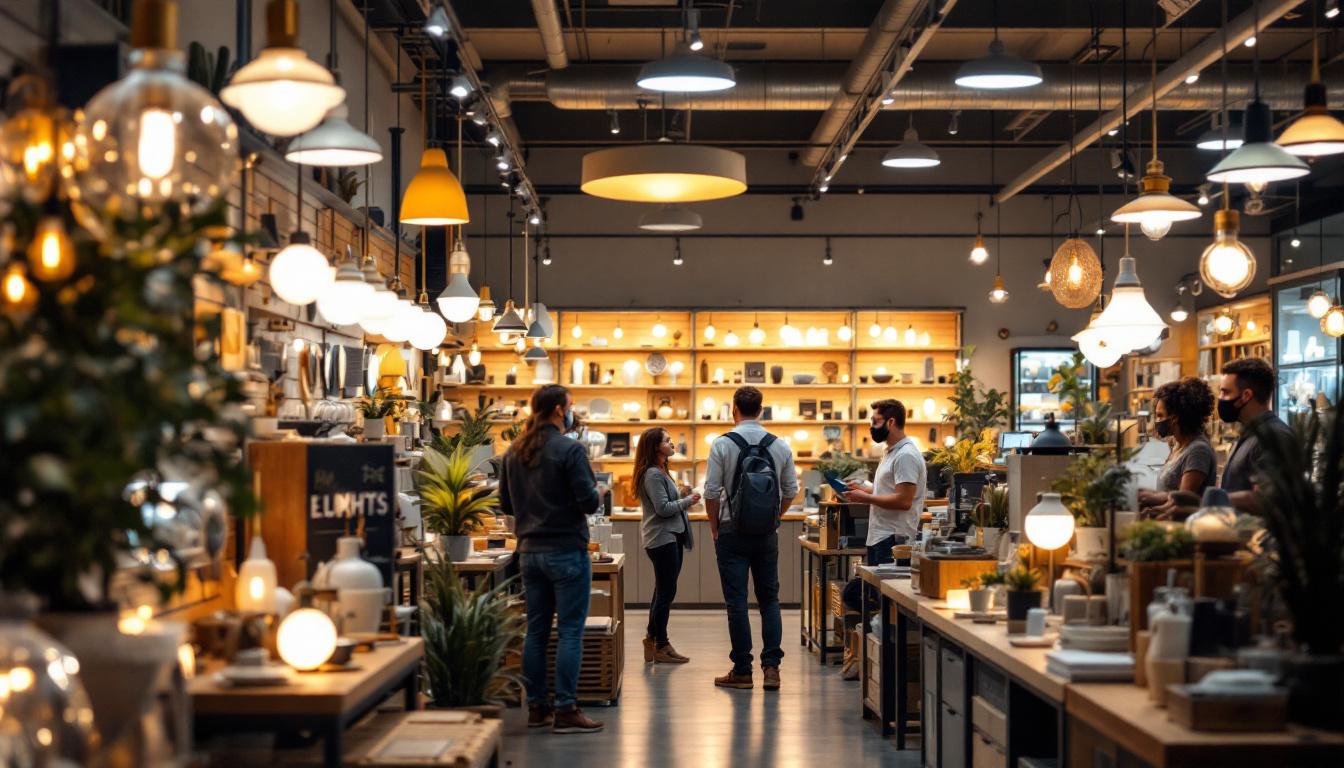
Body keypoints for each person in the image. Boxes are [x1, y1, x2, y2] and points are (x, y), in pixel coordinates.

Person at [498, 384, 605, 734]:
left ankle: (537, 708)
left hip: (528, 552)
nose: (572, 412)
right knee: (571, 631)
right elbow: (588, 502)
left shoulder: (514, 451)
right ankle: (566, 709)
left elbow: (506, 504)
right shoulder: (570, 450)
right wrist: (600, 491)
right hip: (567, 550)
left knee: (536, 631)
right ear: (559, 409)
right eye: (570, 406)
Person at [703, 386, 797, 691]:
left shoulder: (722, 444)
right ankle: (771, 670)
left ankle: (742, 671)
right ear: (761, 410)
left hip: (731, 532)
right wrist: (775, 517)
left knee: (737, 602)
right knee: (769, 599)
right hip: (766, 534)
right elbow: (791, 490)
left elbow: (711, 492)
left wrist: (715, 526)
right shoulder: (779, 445)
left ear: (734, 409)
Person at [634, 427, 700, 664]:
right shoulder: (653, 474)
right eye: (667, 441)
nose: (672, 444)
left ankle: (653, 640)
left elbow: (665, 501)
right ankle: (660, 644)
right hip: (662, 538)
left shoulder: (660, 471)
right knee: (665, 593)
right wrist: (688, 500)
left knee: (663, 591)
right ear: (654, 447)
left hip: (670, 537)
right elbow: (662, 509)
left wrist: (681, 494)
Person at [843, 399, 926, 565]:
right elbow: (888, 491)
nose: (871, 427)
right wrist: (864, 490)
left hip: (893, 540)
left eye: (875, 421)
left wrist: (866, 498)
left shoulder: (905, 455)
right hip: (880, 537)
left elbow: (903, 500)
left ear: (891, 422)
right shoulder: (890, 452)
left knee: (886, 582)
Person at [1217, 358, 1293, 512]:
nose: (1220, 398)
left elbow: (1269, 498)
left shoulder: (1273, 437)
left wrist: (1213, 500)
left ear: (1246, 395)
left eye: (1225, 392)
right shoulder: (1250, 434)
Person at [1138, 377, 1218, 518]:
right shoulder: (1178, 445)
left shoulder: (1198, 451)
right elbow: (1170, 490)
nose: (1157, 421)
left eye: (1160, 416)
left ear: (1174, 418)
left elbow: (1182, 500)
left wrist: (1152, 502)